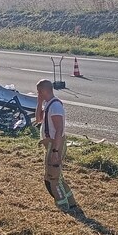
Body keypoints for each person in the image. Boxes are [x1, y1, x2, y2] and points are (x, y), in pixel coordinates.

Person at [35, 79, 79, 212]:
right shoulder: (48, 104)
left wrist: (55, 151)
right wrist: (39, 103)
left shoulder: (55, 107)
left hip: (55, 145)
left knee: (53, 177)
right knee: (57, 176)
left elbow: (59, 129)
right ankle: (71, 203)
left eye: (38, 92)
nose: (38, 94)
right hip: (50, 145)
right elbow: (38, 119)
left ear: (43, 91)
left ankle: (63, 206)